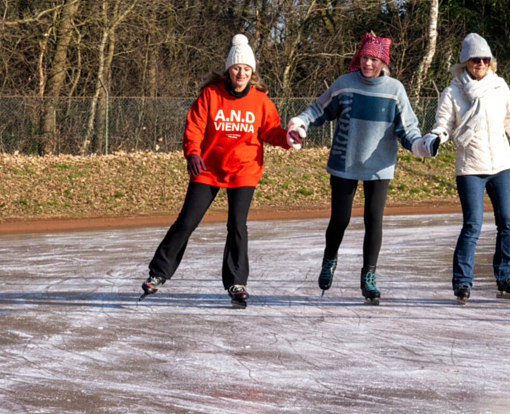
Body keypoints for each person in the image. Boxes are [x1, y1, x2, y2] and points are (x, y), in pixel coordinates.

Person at [140, 34, 299, 308]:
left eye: (247, 69)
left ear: (252, 73)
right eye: (237, 68)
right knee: (187, 221)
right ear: (229, 69)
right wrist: (192, 153)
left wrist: (288, 139)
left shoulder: (261, 101)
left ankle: (237, 282)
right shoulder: (210, 95)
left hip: (244, 169)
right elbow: (194, 128)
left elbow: (271, 131)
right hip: (208, 168)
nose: (242, 73)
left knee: (237, 225)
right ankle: (158, 273)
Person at [287, 31, 435, 305]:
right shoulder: (345, 84)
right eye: (365, 57)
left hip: (379, 167)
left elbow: (408, 129)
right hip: (344, 163)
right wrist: (301, 123)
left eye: (374, 59)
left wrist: (420, 145)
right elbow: (319, 110)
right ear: (359, 57)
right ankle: (329, 260)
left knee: (373, 220)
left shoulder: (395, 90)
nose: (368, 63)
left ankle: (369, 276)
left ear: (383, 63)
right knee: (340, 220)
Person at [429, 33, 510, 304]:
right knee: (472, 225)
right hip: (470, 167)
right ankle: (462, 282)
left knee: (507, 223)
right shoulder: (453, 91)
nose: (481, 63)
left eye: (485, 59)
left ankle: (506, 278)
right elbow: (443, 124)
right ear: (465, 61)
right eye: (476, 59)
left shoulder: (499, 87)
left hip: (501, 165)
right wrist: (435, 139)